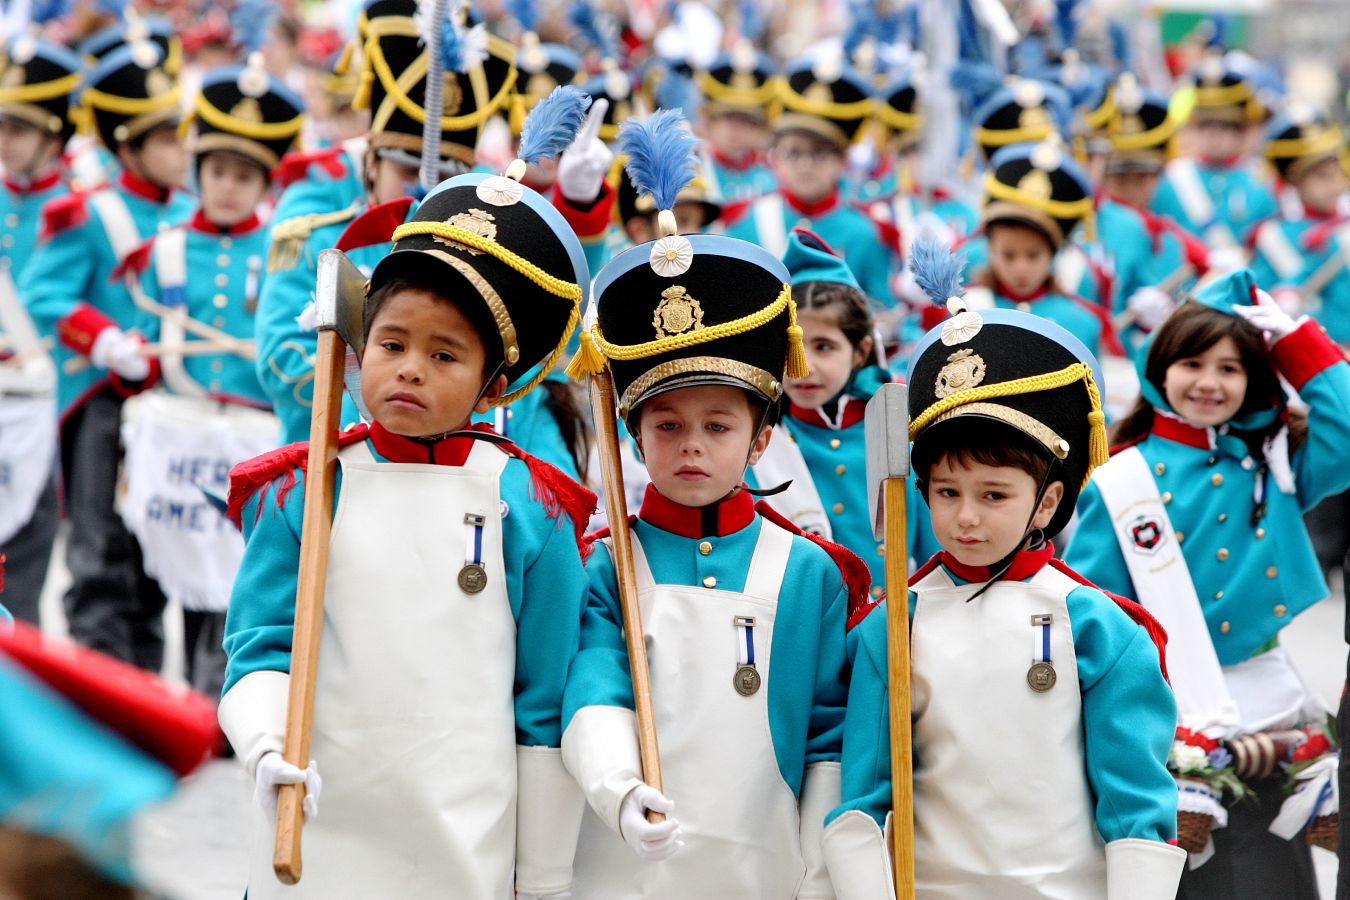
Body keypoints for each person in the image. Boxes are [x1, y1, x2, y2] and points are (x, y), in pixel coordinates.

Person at [218, 121, 597, 899]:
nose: (410, 371)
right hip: (316, 821)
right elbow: (258, 648)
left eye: (445, 354)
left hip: (465, 844)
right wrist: (263, 749)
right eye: (390, 345)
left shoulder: (536, 507)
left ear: (496, 385)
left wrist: (547, 875)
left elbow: (543, 707)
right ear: (359, 351)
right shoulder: (305, 488)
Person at [561, 111, 867, 898]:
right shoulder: (605, 562)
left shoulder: (812, 571)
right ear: (632, 439)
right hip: (627, 859)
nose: (691, 445)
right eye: (666, 425)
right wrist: (617, 788)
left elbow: (828, 732)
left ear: (762, 440)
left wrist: (818, 860)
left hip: (765, 868)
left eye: (718, 425)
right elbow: (594, 686)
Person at [824, 277, 1184, 899]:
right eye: (946, 493)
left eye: (994, 495)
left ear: (1046, 501)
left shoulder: (1100, 627)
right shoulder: (892, 626)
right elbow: (866, 791)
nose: (966, 517)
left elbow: (1135, 799)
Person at [1067, 269, 1350, 899]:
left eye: (1231, 368)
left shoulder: (1273, 462)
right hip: (1167, 712)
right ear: (1159, 368)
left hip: (1271, 714)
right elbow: (1094, 615)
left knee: (1275, 880)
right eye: (1193, 362)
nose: (1210, 383)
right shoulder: (1123, 479)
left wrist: (1301, 345)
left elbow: (1347, 431)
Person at [117, 56, 304, 698]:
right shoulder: (162, 250)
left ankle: (217, 695)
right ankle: (141, 690)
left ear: (264, 183)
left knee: (235, 570)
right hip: (178, 427)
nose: (228, 186)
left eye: (245, 175)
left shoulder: (286, 249)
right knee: (154, 559)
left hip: (249, 434)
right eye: (218, 171)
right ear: (199, 174)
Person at [255, 0, 517, 442]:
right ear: (372, 160)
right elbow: (280, 359)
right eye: (407, 172)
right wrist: (392, 416)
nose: (425, 191)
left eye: (449, 178)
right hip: (331, 460)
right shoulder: (316, 229)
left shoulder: (487, 248)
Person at [20, 38, 193, 671]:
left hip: (165, 403)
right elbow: (44, 291)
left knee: (153, 551)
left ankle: (145, 689)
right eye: (168, 139)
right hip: (102, 404)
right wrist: (104, 339)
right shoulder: (90, 213)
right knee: (98, 551)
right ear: (128, 146)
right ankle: (102, 691)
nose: (184, 151)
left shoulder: (190, 214)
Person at [750, 226, 936, 598]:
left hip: (893, 630)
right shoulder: (759, 444)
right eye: (794, 348)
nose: (804, 367)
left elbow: (934, 552)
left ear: (861, 350)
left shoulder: (900, 432)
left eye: (824, 347)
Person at [0, 34, 81, 622]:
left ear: (54, 136)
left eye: (19, 129)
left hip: (42, 407)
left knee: (24, 573)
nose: (5, 140)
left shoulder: (80, 211)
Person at [723, 54, 900, 308]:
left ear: (842, 162)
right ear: (777, 157)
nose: (805, 165)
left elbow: (884, 309)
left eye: (819, 152)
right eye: (794, 152)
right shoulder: (745, 222)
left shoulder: (866, 233)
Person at [965, 138, 1116, 361]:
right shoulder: (962, 312)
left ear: (1053, 254)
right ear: (989, 249)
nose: (1021, 268)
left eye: (1033, 255)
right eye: (1008, 255)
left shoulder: (1083, 321)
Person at [1096, 73, 1211, 357]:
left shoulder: (1170, 239)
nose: (1132, 187)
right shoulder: (1085, 230)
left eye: (1142, 177)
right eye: (1121, 177)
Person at [1151, 49, 1277, 254]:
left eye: (1225, 127)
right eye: (1206, 126)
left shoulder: (1261, 183)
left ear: (1243, 131)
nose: (1214, 136)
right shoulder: (1172, 179)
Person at [696, 40, 777, 203]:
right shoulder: (694, 170)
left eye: (748, 120)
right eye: (728, 117)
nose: (737, 127)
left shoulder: (773, 173)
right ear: (709, 121)